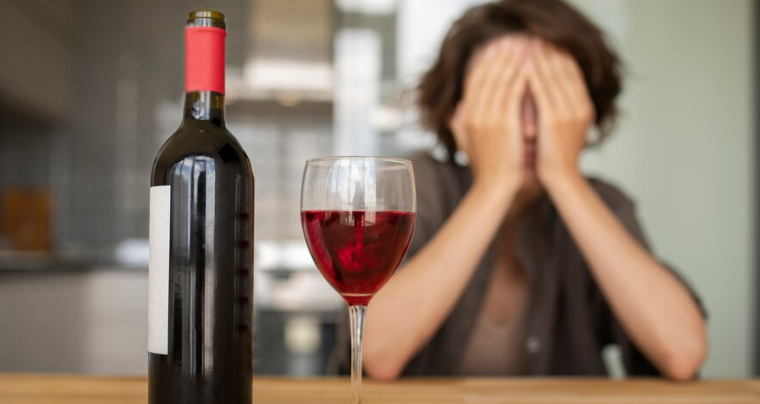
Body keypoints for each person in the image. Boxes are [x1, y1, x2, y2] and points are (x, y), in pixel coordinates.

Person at [333, 0, 708, 380]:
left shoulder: (603, 205)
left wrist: (565, 177)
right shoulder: (418, 188)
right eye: (502, 100)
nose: (528, 129)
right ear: (456, 113)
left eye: (549, 101)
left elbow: (682, 353)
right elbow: (376, 353)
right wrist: (494, 185)